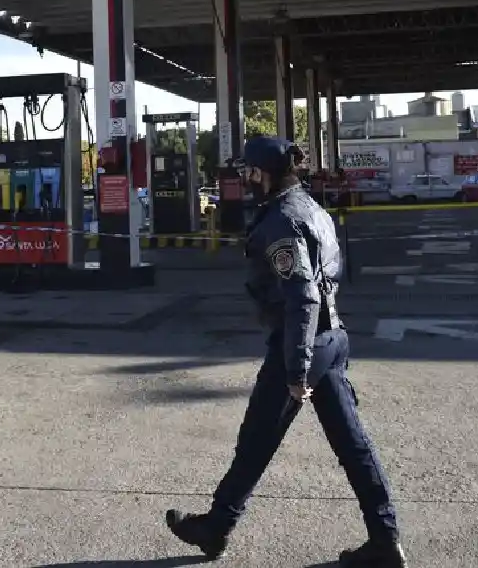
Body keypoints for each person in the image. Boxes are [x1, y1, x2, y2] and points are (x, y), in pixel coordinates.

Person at [165, 135, 405, 567]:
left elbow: (302, 296)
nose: (245, 180)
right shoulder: (312, 207)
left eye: (248, 172)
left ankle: (216, 527)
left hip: (303, 340)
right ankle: (385, 539)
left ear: (263, 173)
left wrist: (296, 369)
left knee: (256, 439)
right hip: (331, 337)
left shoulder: (281, 220)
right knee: (353, 444)